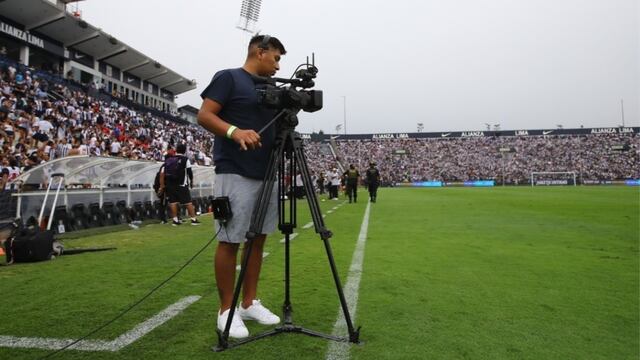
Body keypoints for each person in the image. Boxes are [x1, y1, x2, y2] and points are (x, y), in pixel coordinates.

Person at [197, 34, 286, 339]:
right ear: (260, 53)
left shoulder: (272, 88)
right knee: (230, 239)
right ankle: (226, 310)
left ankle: (248, 302)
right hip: (235, 169)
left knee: (258, 239)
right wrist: (235, 131)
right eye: (275, 58)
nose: (277, 65)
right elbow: (204, 115)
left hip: (268, 171)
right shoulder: (229, 78)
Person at [163, 143, 201, 226]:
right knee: (188, 202)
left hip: (170, 184)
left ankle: (175, 220)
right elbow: (189, 172)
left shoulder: (169, 159)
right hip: (181, 184)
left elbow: (164, 171)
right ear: (184, 151)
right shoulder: (185, 159)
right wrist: (191, 181)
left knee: (173, 202)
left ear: (176, 150)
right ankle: (193, 219)